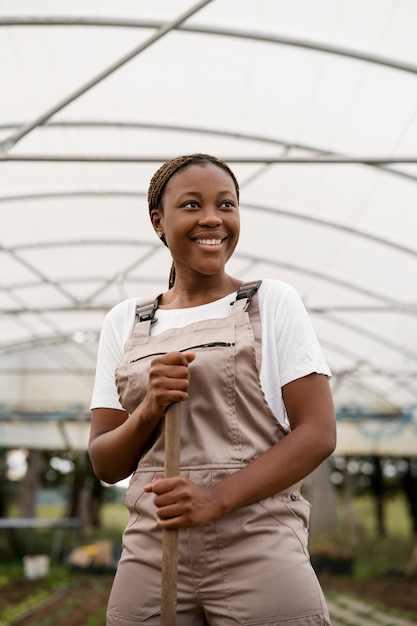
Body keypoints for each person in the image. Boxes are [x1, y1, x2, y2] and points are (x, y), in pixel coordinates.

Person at [88, 153, 336, 625]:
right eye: (191, 205)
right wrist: (149, 408)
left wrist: (215, 499)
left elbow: (318, 433)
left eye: (226, 204)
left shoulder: (269, 303)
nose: (212, 219)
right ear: (158, 221)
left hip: (258, 543)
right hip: (154, 547)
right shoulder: (126, 321)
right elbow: (106, 462)